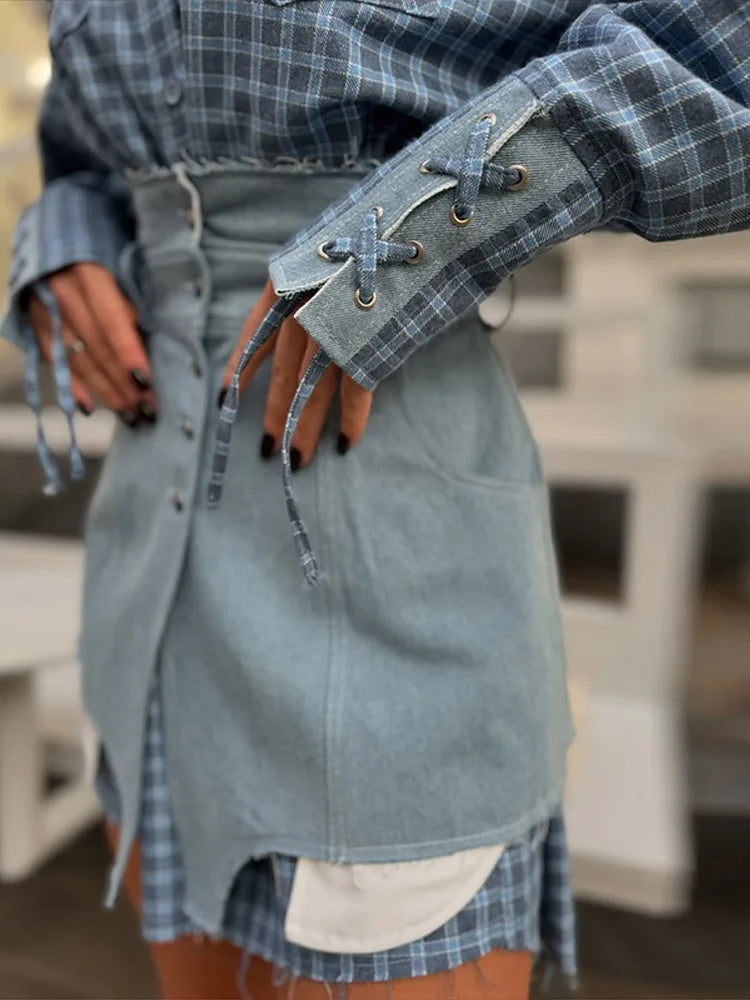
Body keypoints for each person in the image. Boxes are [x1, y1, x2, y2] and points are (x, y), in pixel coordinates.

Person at [3, 2, 749, 998]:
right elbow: (84, 158)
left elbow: (725, 63)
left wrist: (404, 236)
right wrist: (63, 237)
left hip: (384, 558)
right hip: (149, 579)